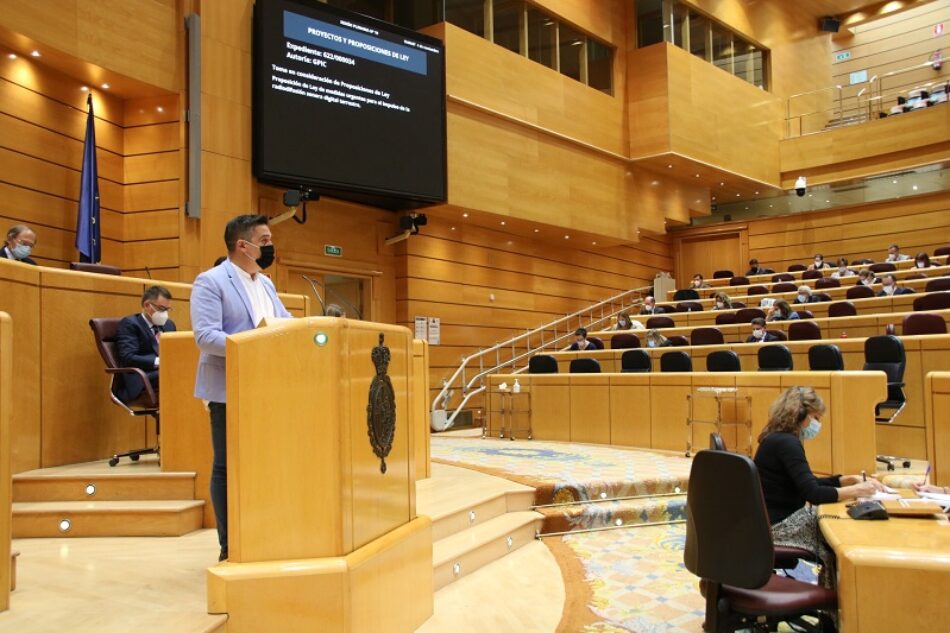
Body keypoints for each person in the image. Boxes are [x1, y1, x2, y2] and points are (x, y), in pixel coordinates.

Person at [191, 214, 292, 562]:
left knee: (264, 462)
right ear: (242, 245)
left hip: (266, 387)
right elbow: (205, 336)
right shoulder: (211, 281)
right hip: (228, 388)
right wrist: (254, 343)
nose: (270, 247)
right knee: (226, 465)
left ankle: (263, 532)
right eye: (264, 241)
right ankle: (229, 545)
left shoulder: (265, 283)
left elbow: (284, 323)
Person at [754, 387, 884, 585]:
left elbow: (803, 483)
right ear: (801, 414)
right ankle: (839, 602)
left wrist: (844, 480)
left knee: (834, 521)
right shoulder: (788, 443)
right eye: (817, 417)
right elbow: (813, 493)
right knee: (840, 535)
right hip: (779, 526)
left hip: (768, 520)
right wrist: (858, 491)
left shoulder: (776, 438)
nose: (818, 424)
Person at [114, 286, 176, 403]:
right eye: (162, 309)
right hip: (143, 376)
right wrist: (158, 362)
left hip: (165, 372)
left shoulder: (169, 325)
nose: (165, 314)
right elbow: (128, 357)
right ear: (147, 305)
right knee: (176, 375)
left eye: (168, 309)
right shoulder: (130, 324)